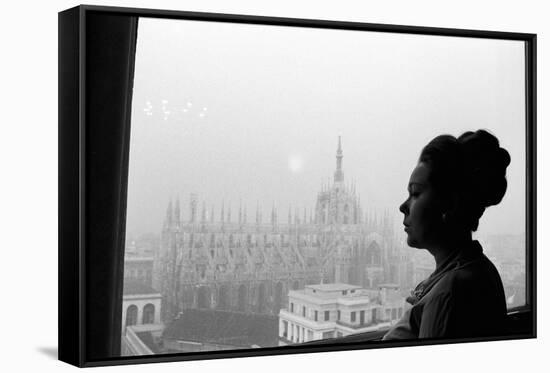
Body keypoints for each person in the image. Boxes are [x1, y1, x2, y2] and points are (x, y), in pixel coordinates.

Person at [383, 130, 511, 340]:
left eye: (415, 193)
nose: (403, 206)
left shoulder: (449, 294)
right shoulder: (477, 269)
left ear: (449, 204)